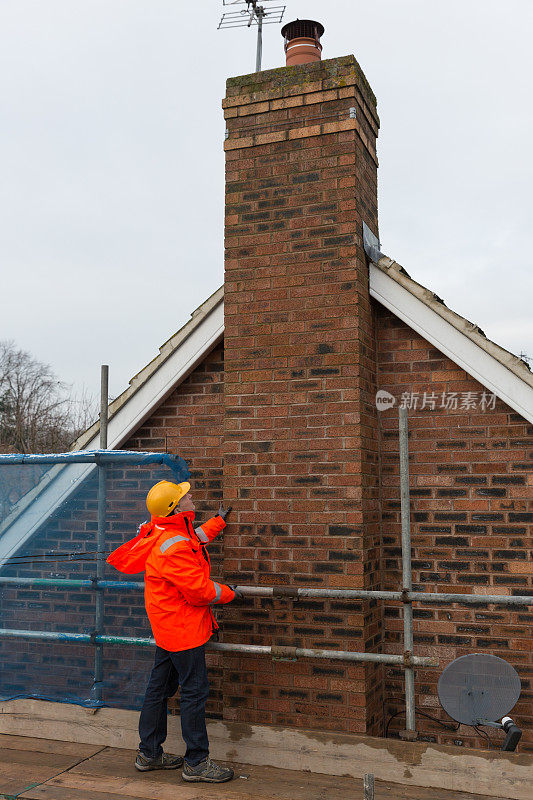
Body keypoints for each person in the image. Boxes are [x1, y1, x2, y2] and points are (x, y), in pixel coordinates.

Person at [107, 479, 241, 784]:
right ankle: (196, 763)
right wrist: (232, 594)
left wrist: (217, 523)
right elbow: (200, 592)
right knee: (194, 693)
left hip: (168, 627)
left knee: (159, 689)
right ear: (176, 507)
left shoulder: (167, 533)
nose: (190, 495)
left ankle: (149, 753)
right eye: (184, 495)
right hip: (184, 629)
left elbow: (194, 539)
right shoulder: (173, 545)